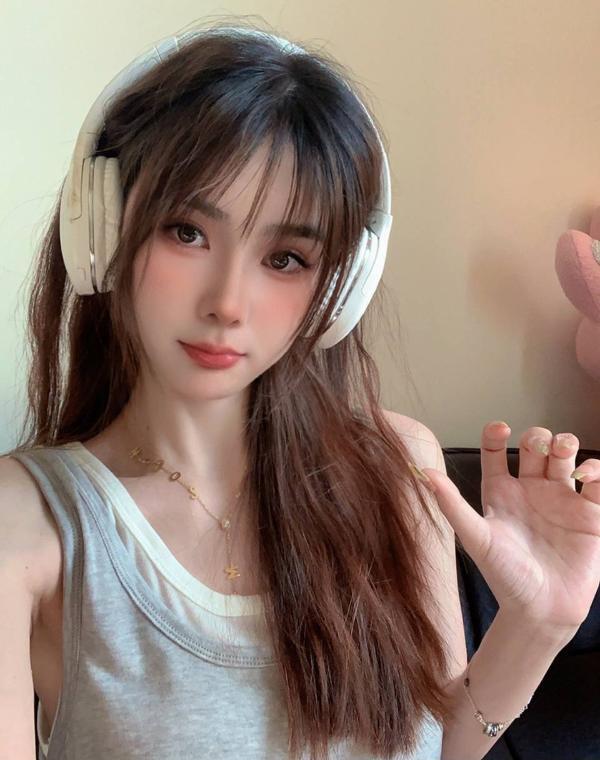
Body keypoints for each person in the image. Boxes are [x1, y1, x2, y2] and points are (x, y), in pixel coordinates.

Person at [1, 21, 599, 760]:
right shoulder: (25, 520)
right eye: (186, 232)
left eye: (285, 257)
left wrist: (537, 627)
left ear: (340, 287)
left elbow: (445, 746)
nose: (228, 303)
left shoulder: (399, 465)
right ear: (104, 226)